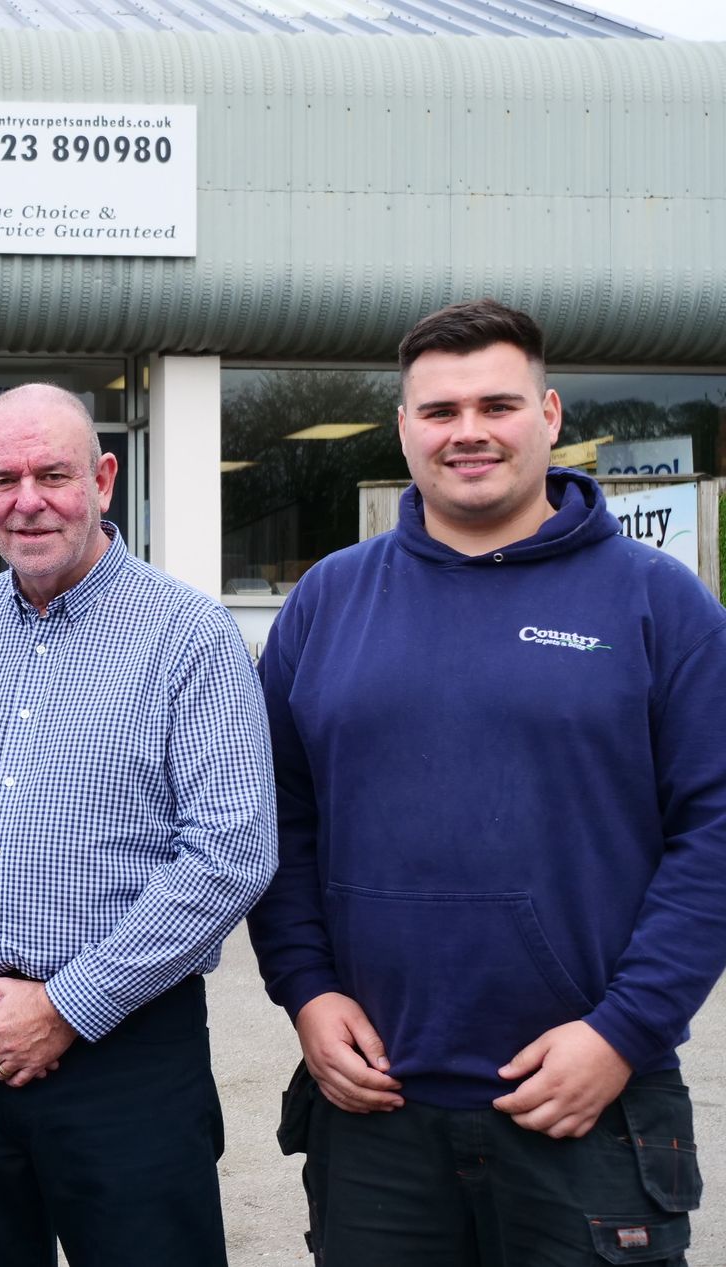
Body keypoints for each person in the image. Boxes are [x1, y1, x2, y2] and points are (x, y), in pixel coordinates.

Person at [249, 298, 726, 1265]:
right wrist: (304, 989)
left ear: (549, 417)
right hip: (376, 1110)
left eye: (496, 404)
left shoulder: (657, 601)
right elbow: (275, 817)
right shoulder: (329, 601)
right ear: (403, 430)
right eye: (439, 410)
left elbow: (715, 831)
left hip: (591, 1109)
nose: (468, 431)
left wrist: (622, 1032)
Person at [0, 382, 279, 1267]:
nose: (28, 499)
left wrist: (65, 1007)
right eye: (3, 478)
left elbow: (230, 851)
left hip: (126, 1058)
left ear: (105, 478)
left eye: (53, 473)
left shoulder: (189, 637)